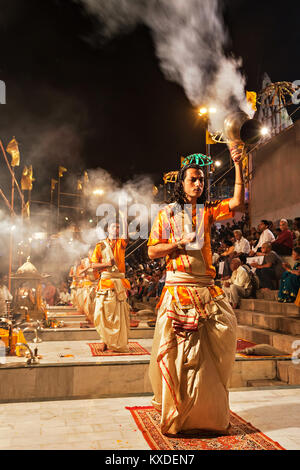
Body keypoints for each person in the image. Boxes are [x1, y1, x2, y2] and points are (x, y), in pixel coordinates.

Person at [147, 143, 243, 435]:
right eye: (193, 179)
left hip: (207, 291)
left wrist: (238, 164)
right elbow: (152, 252)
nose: (199, 183)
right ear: (182, 183)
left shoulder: (208, 212)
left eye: (202, 179)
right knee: (180, 357)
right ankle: (178, 414)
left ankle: (208, 416)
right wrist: (178, 243)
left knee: (214, 353)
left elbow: (237, 203)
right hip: (178, 293)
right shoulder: (166, 215)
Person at [91, 221, 130, 352]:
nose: (116, 229)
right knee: (101, 314)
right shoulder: (100, 245)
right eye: (114, 226)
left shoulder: (121, 243)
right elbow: (93, 265)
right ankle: (104, 340)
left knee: (117, 317)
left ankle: (115, 343)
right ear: (108, 229)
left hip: (118, 284)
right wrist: (107, 264)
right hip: (105, 283)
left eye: (119, 227)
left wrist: (124, 214)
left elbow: (126, 234)